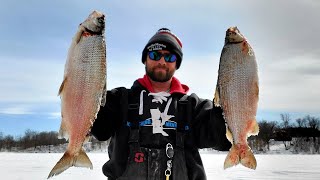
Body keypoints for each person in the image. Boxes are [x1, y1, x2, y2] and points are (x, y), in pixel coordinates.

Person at [91, 28, 232, 180]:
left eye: (169, 57)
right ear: (145, 59)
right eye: (154, 55)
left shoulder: (194, 107)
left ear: (176, 63)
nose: (162, 61)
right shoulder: (119, 100)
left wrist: (236, 101)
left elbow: (222, 139)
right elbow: (99, 129)